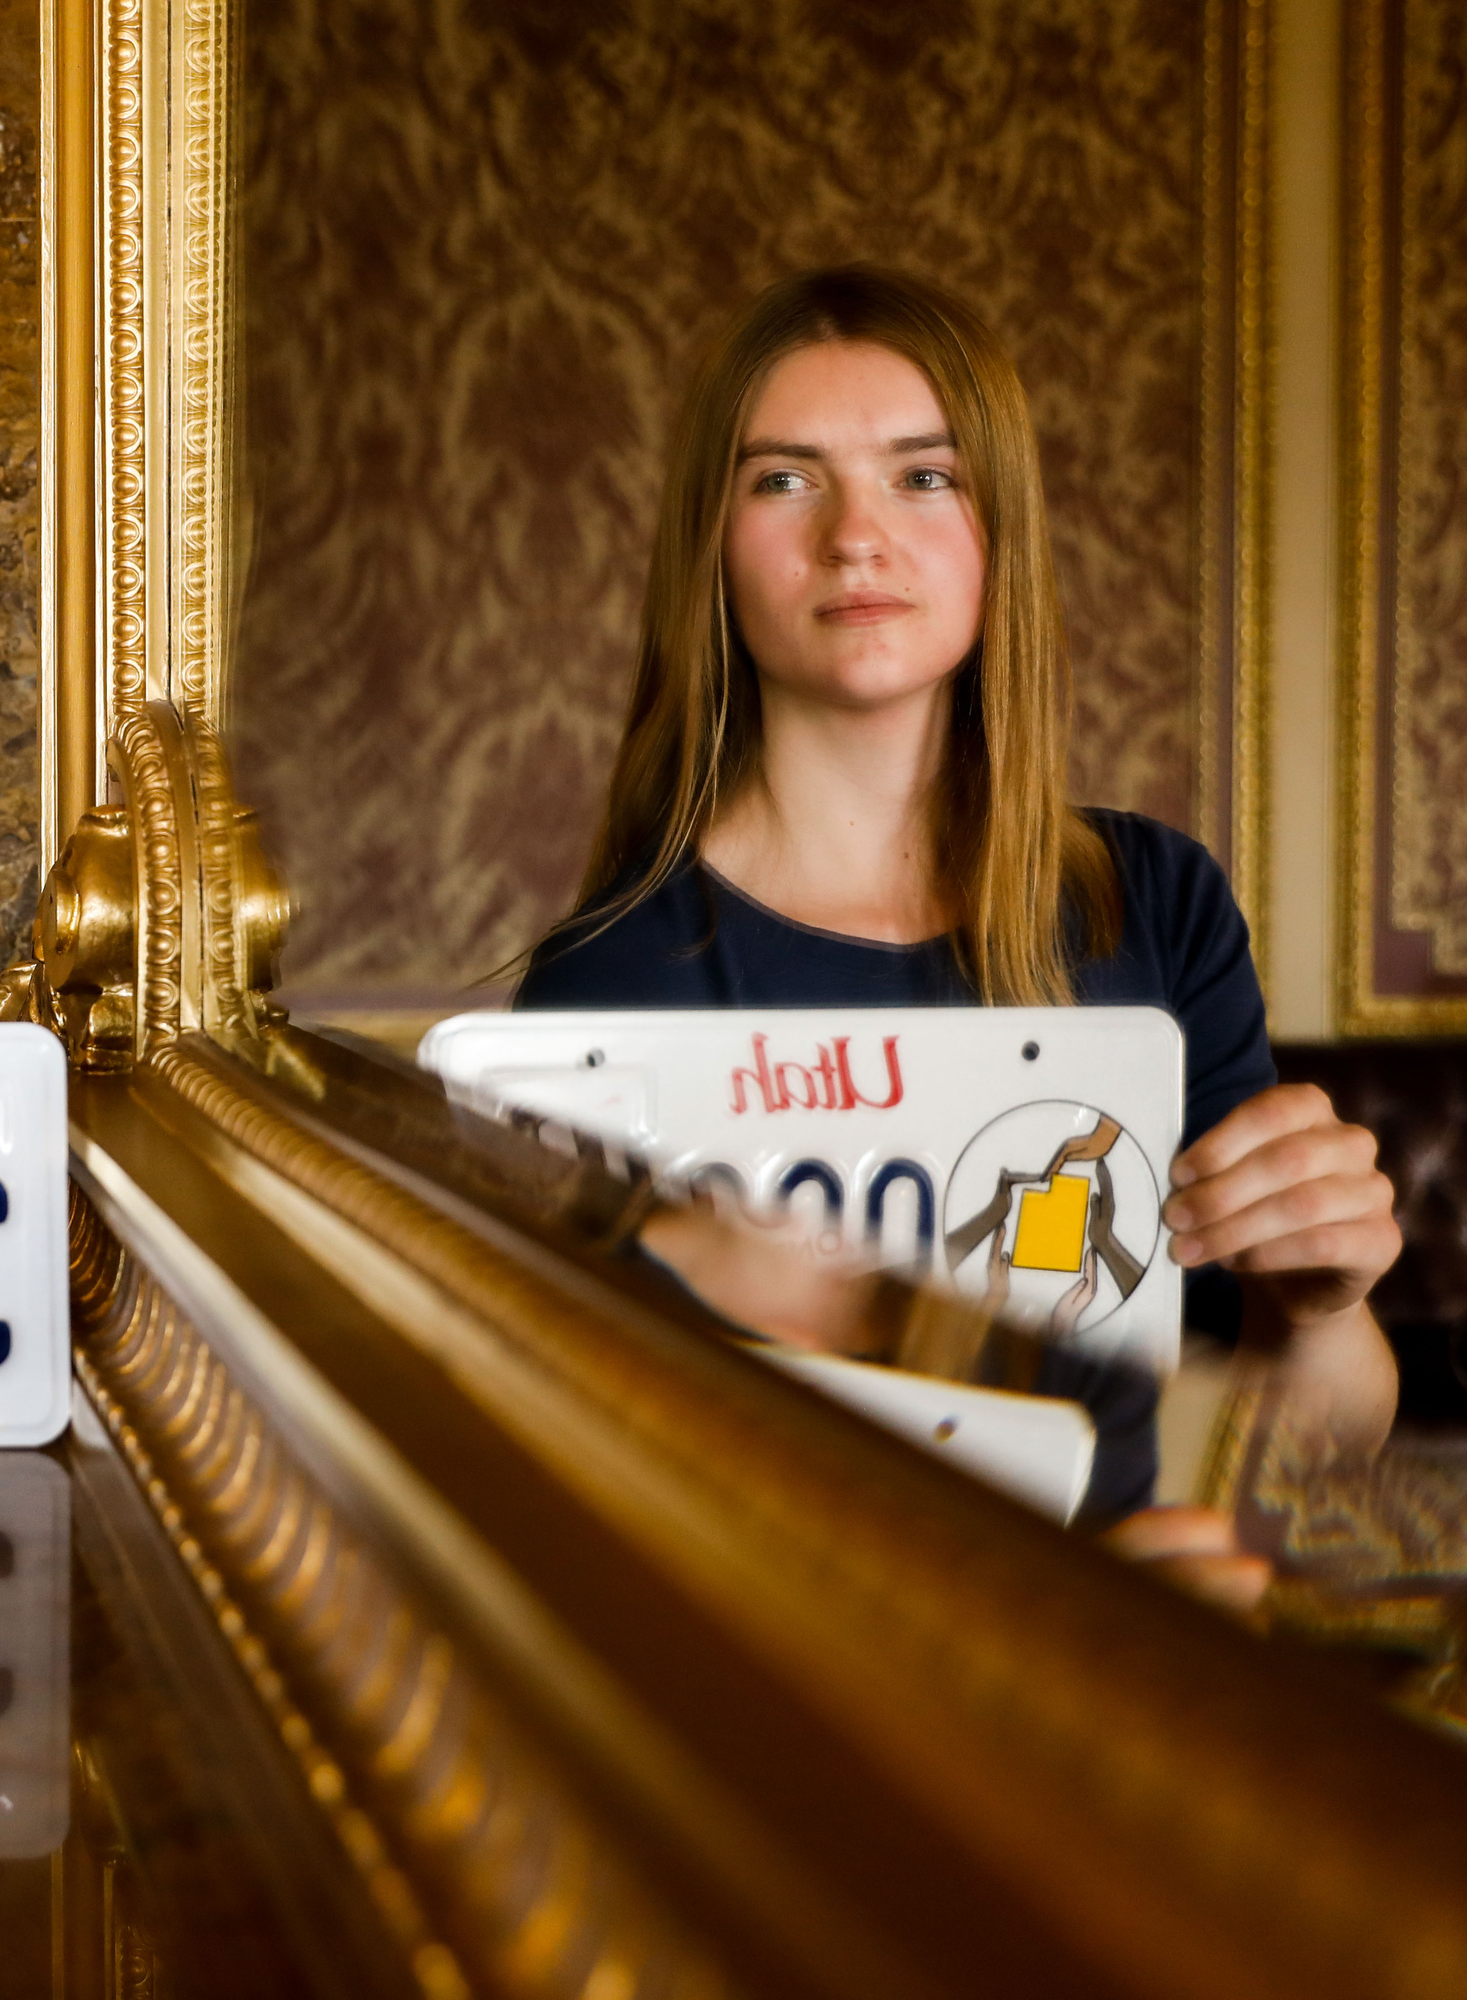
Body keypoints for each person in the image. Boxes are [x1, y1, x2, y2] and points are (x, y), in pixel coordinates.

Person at [513, 266, 1399, 1597]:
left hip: (1127, 1686)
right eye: (782, 479)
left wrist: (1322, 1304)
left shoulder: (1154, 902)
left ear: (1001, 532)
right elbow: (591, 1493)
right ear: (712, 544)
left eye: (924, 477)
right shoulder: (610, 988)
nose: (855, 536)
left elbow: (1321, 1444)